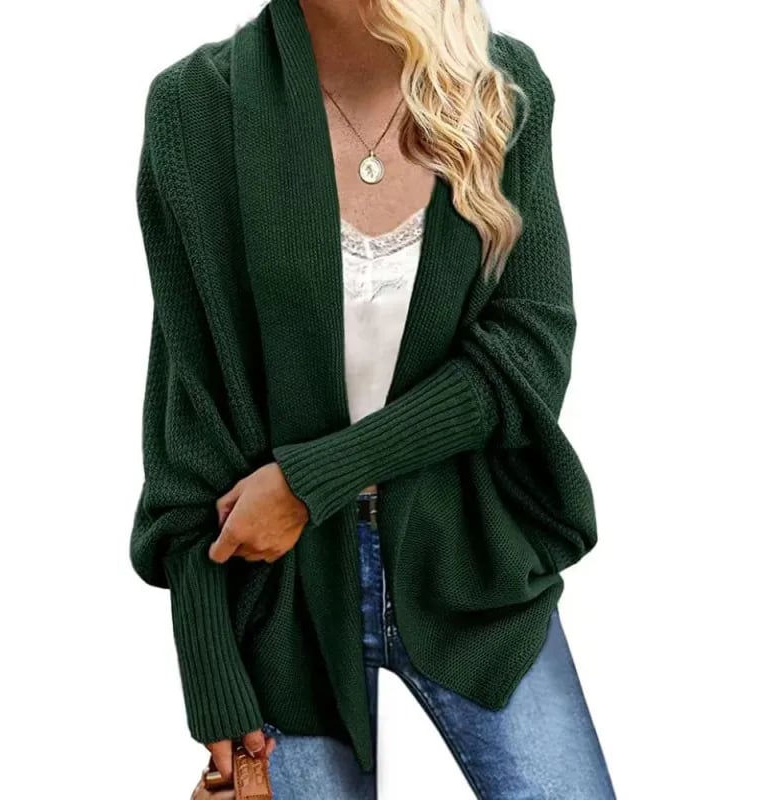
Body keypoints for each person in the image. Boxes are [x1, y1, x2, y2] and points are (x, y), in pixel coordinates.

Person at [130, 0, 616, 796]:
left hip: (472, 566)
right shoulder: (197, 106)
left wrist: (313, 480)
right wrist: (210, 674)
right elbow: (190, 413)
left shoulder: (500, 86)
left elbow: (529, 353)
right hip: (283, 599)